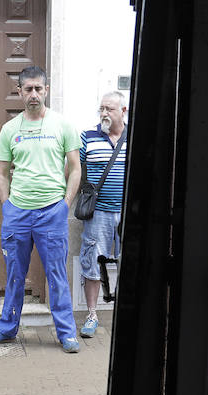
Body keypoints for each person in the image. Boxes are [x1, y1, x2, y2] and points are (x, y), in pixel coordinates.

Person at [0, 65, 83, 353]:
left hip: (52, 212)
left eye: (39, 88)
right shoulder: (10, 129)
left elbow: (75, 169)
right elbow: (1, 173)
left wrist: (65, 205)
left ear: (46, 90)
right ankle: (7, 328)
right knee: (15, 274)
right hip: (18, 213)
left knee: (56, 275)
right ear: (19, 92)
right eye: (28, 89)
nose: (34, 94)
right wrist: (7, 207)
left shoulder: (62, 125)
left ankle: (66, 334)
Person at [78, 92, 127, 338]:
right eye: (101, 109)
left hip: (128, 212)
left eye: (110, 109)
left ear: (123, 111)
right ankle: (91, 315)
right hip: (98, 214)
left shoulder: (134, 137)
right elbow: (75, 169)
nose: (105, 113)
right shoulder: (89, 137)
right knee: (93, 261)